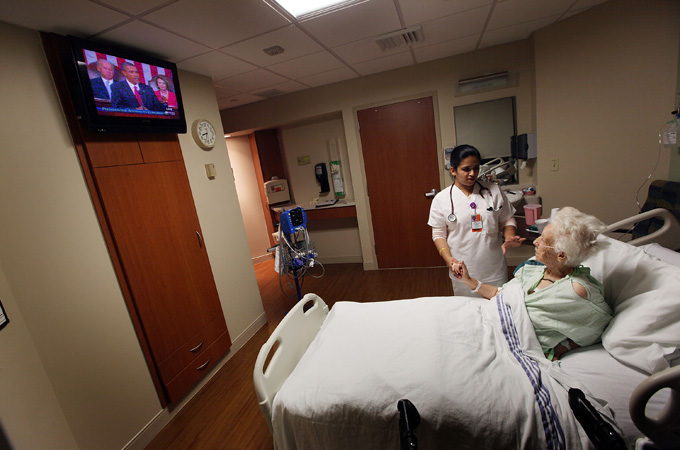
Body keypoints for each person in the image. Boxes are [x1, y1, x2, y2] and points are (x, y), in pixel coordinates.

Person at [454, 207, 613, 361]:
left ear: (561, 255)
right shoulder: (533, 270)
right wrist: (469, 280)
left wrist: (562, 347)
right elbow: (500, 295)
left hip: (507, 343)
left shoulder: (576, 290)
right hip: (489, 321)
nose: (536, 242)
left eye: (543, 240)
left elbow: (598, 326)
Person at [428, 145, 524, 296]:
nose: (472, 174)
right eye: (466, 169)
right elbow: (438, 234)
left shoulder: (493, 191)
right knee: (467, 307)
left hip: (494, 268)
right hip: (462, 269)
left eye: (476, 168)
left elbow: (507, 219)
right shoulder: (442, 199)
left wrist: (510, 235)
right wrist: (449, 259)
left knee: (498, 304)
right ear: (453, 170)